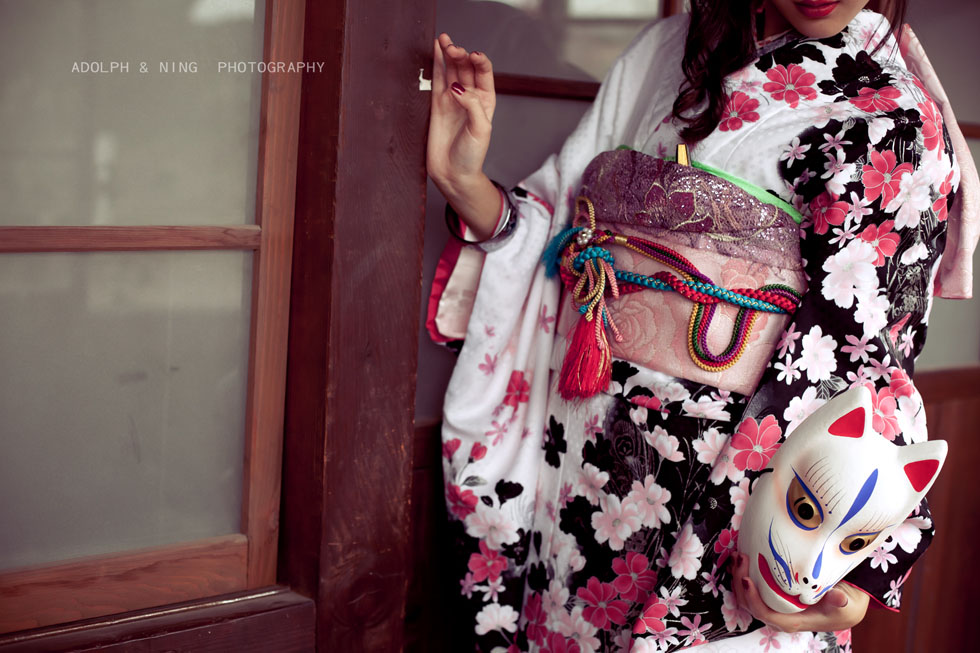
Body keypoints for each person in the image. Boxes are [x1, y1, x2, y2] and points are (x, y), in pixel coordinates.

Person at [426, 1, 973, 651]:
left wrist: (856, 560)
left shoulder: (895, 119)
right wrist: (462, 181)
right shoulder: (669, 49)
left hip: (720, 500)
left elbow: (869, 354)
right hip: (576, 453)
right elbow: (565, 232)